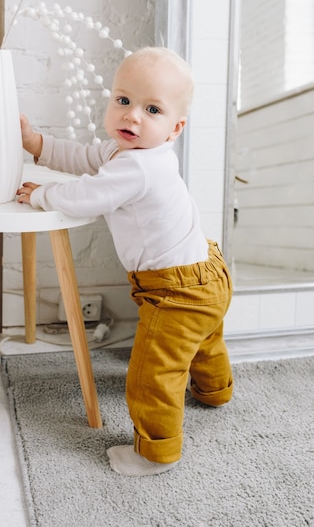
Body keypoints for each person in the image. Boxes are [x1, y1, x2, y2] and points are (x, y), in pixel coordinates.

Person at [17, 46, 234, 477]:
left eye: (151, 109)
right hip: (207, 274)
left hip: (176, 293)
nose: (132, 116)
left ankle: (155, 453)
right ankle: (215, 392)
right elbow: (83, 158)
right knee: (204, 341)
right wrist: (37, 144)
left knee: (154, 372)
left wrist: (40, 194)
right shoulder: (128, 154)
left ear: (176, 128)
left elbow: (86, 197)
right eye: (123, 101)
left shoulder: (138, 168)